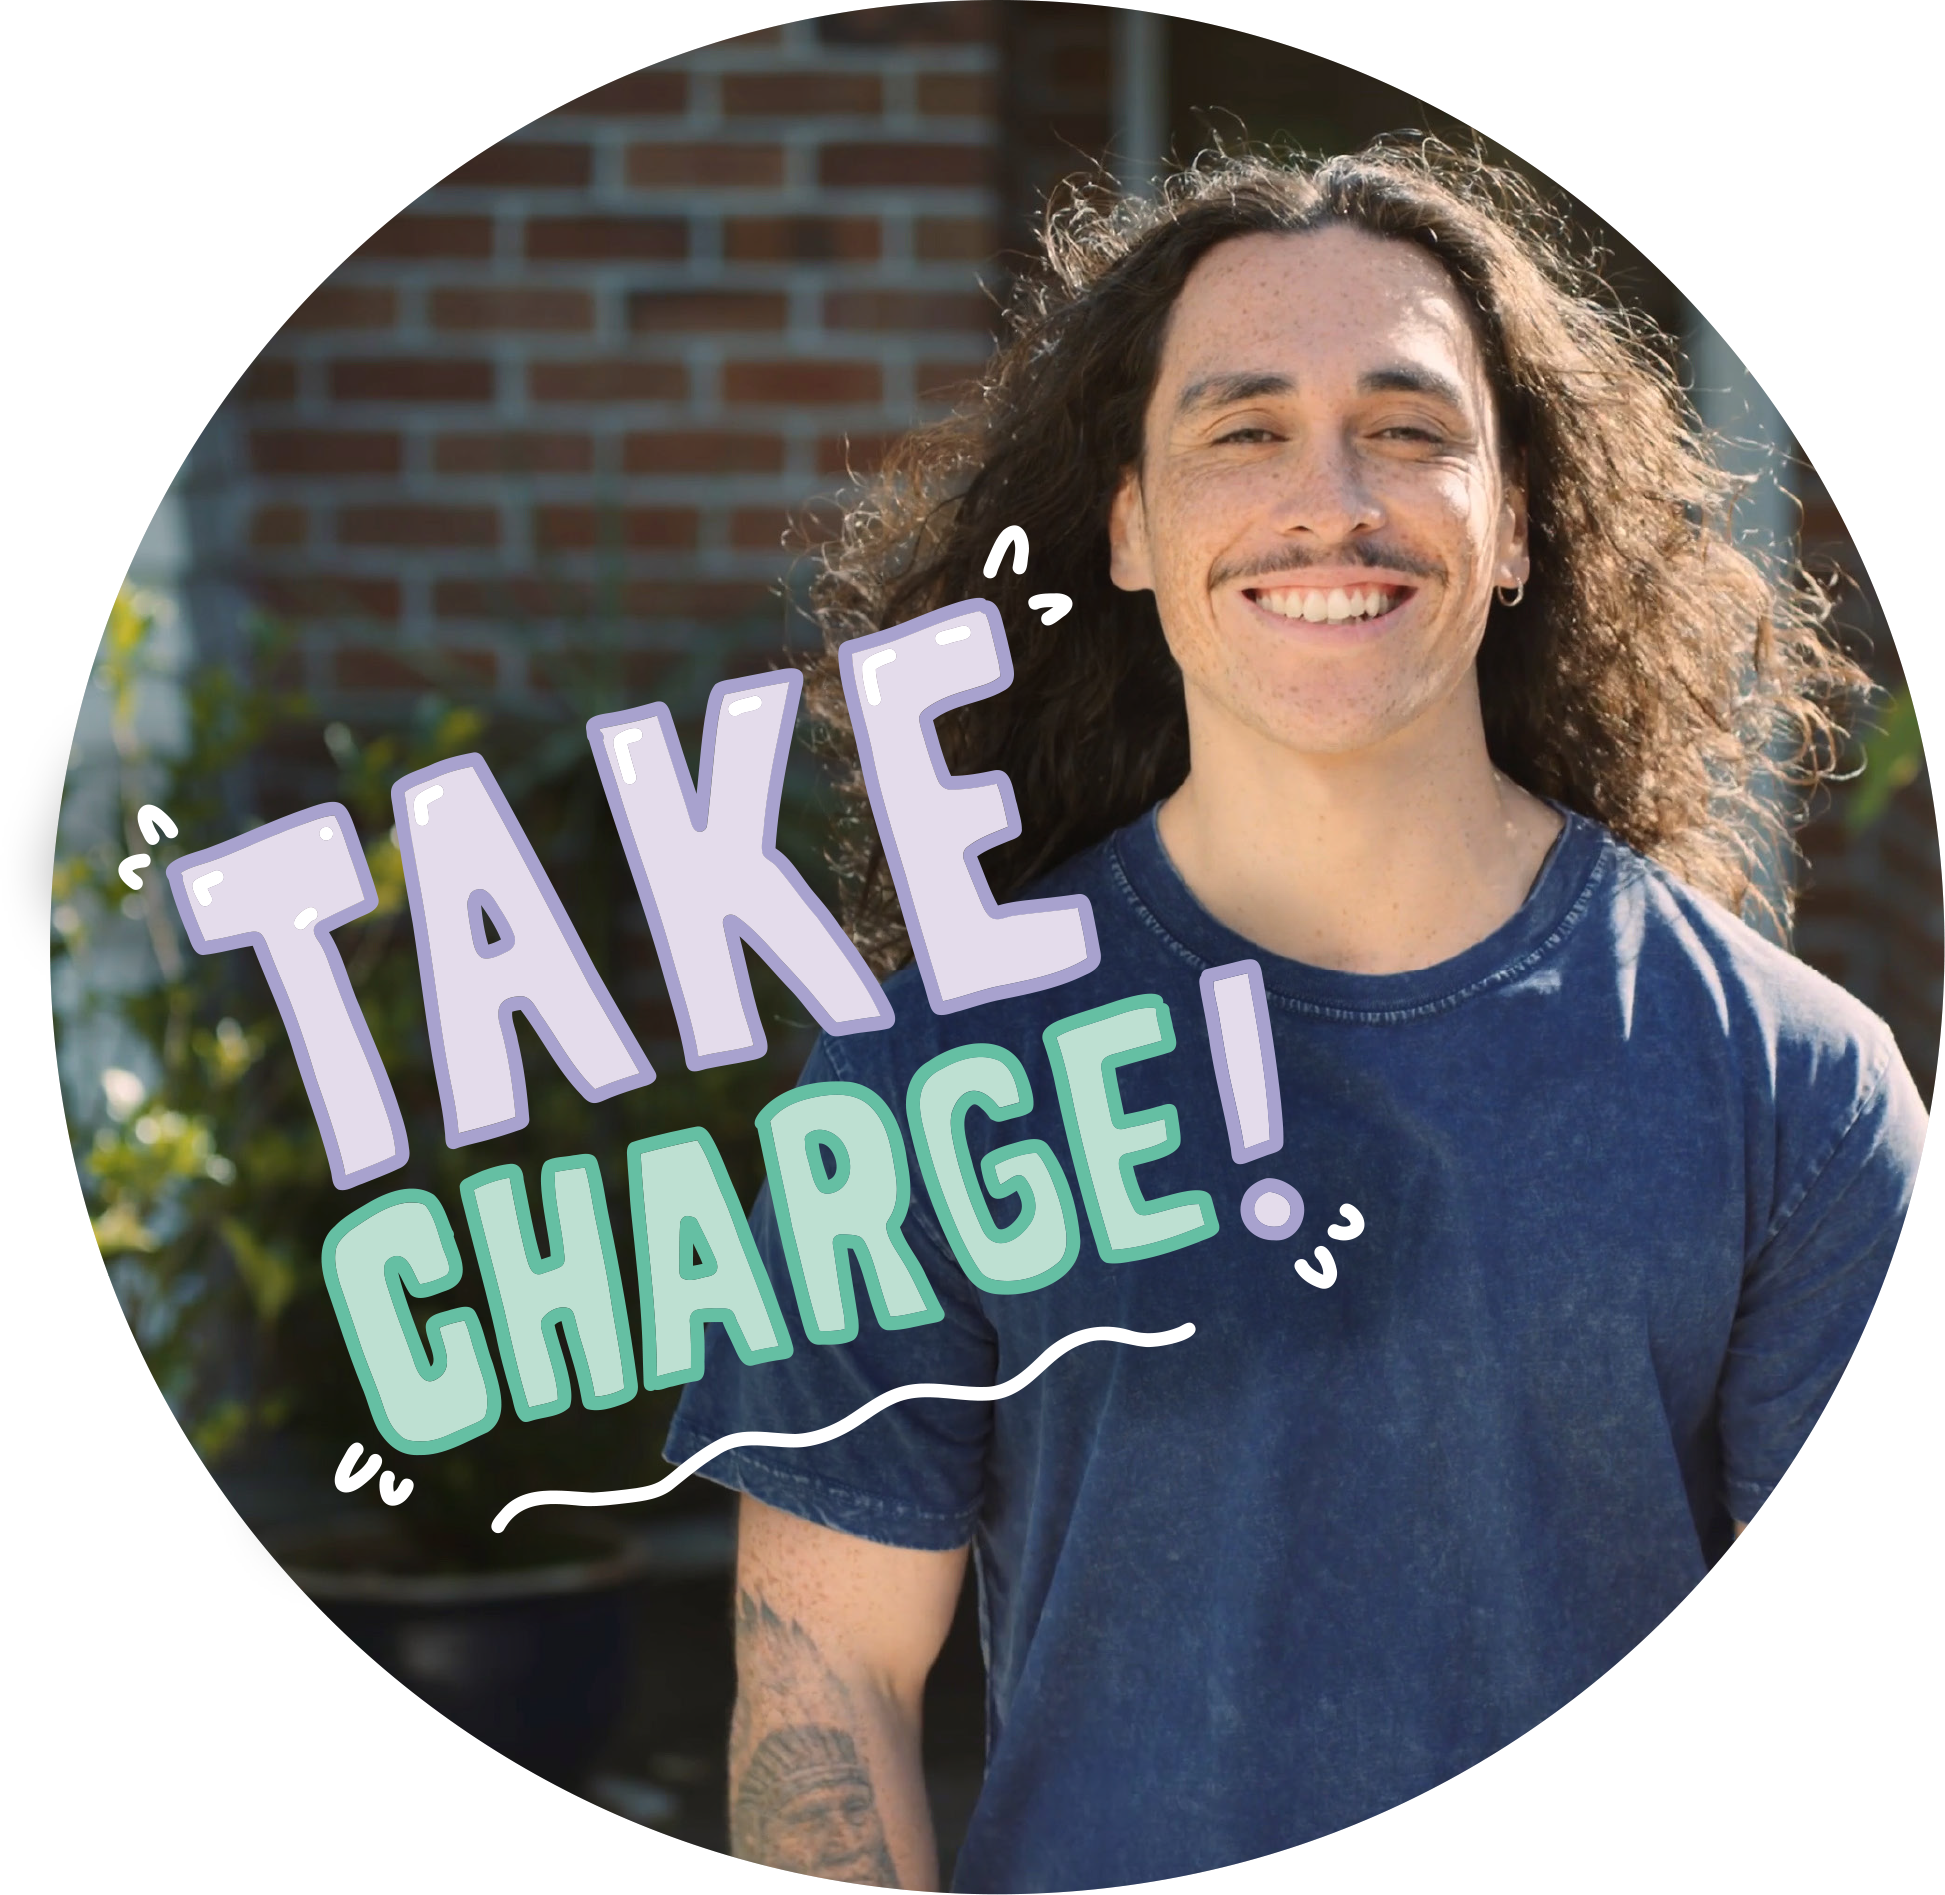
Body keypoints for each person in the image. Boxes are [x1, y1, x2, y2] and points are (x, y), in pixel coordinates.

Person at [663, 142, 1927, 1890]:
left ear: (1517, 521)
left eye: (1409, 430)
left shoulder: (1790, 1092)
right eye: (1242, 430)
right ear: (1130, 524)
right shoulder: (932, 1073)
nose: (1329, 498)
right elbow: (832, 1693)